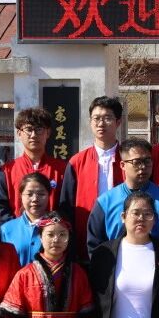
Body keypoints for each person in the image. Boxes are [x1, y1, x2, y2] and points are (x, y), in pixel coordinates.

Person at [86, 137, 159, 257]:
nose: (143, 167)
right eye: (136, 162)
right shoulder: (105, 202)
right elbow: (95, 246)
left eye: (147, 161)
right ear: (122, 165)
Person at [59, 95, 125, 258]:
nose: (101, 123)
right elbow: (66, 206)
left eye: (107, 118)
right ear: (90, 122)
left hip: (123, 234)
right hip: (85, 238)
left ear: (118, 122)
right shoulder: (77, 161)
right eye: (96, 118)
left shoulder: (129, 158)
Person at [0, 106, 66, 222]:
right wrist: (16, 228)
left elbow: (67, 206)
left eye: (39, 129)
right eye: (29, 129)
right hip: (16, 232)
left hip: (53, 231)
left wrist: (51, 227)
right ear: (19, 133)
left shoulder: (62, 169)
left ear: (48, 133)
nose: (33, 135)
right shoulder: (6, 171)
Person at [1, 172, 52, 265]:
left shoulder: (57, 227)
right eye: (29, 194)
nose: (35, 199)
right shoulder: (6, 230)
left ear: (49, 195)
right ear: (21, 196)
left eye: (41, 194)